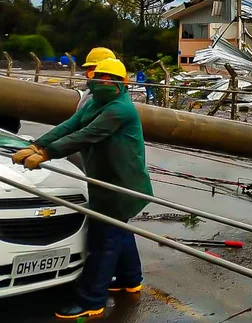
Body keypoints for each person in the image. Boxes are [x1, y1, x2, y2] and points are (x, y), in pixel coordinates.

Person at [12, 58, 153, 319]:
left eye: (108, 80)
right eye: (98, 77)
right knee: (120, 233)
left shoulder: (120, 110)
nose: (101, 82)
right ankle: (130, 279)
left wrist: (46, 153)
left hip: (121, 186)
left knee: (103, 241)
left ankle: (91, 300)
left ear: (122, 84)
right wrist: (38, 145)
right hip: (108, 181)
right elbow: (71, 125)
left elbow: (85, 135)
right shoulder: (96, 103)